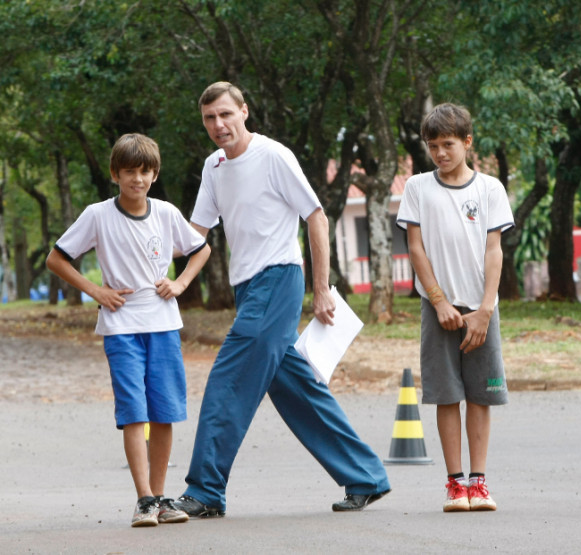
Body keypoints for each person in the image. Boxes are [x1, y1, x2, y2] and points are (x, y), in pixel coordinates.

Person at [172, 81, 390, 518]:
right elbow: (194, 235)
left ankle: (205, 490)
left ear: (244, 112)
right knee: (297, 389)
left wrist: (322, 289)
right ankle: (365, 475)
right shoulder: (214, 167)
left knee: (227, 381)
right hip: (247, 288)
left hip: (278, 279)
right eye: (210, 118)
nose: (219, 125)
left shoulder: (273, 155)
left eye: (226, 115)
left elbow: (316, 216)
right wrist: (143, 243)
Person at [46, 133, 211, 527]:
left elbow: (200, 248)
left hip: (164, 324)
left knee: (164, 413)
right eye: (129, 172)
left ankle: (160, 498)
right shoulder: (98, 214)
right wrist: (96, 291)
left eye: (145, 171)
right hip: (121, 328)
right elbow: (57, 258)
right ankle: (144, 500)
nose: (137, 179)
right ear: (115, 174)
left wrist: (182, 283)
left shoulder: (167, 213)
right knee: (135, 413)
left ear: (154, 174)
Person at [396, 103, 513, 512]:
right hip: (438, 308)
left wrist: (485, 310)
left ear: (467, 142)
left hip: (482, 307)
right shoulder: (417, 188)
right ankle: (454, 484)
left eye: (448, 144)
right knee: (447, 395)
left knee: (480, 395)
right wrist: (439, 300)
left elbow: (494, 251)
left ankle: (478, 485)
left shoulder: (490, 189)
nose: (441, 153)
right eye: (433, 146)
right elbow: (415, 247)